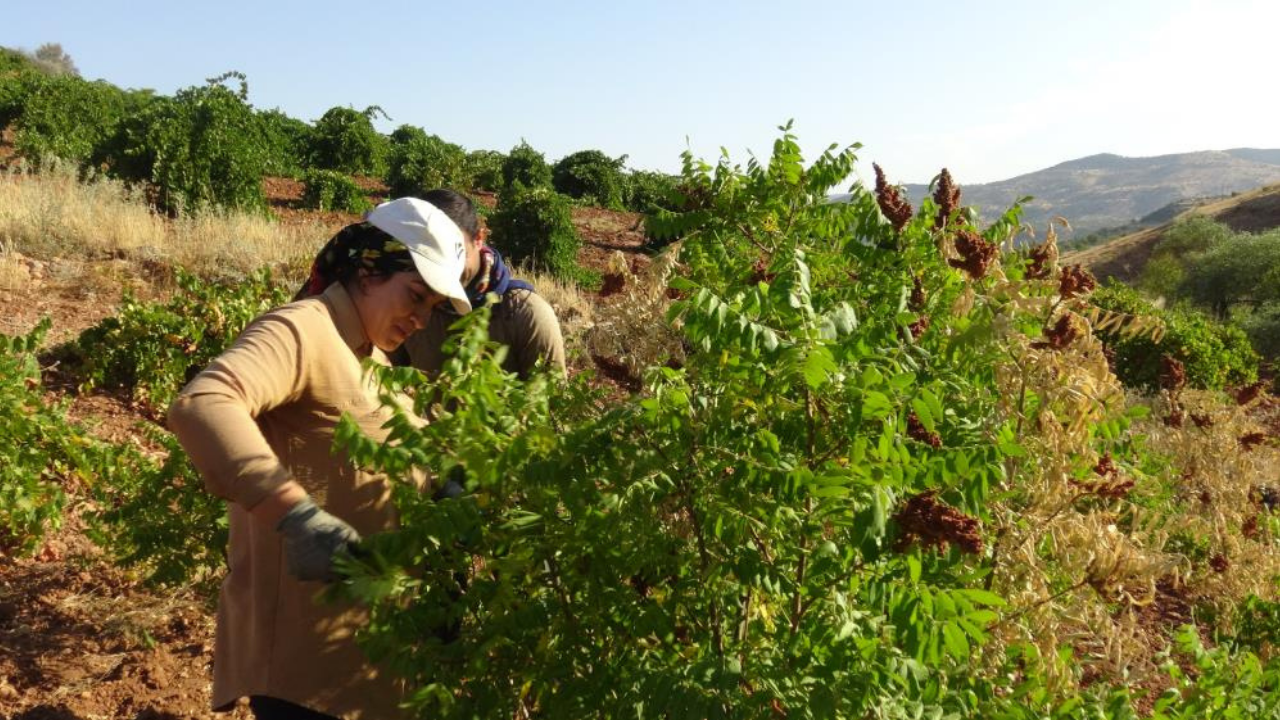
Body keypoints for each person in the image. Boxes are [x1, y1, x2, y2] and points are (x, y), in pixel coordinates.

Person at [168, 197, 472, 720]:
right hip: (302, 672)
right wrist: (295, 515)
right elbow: (203, 403)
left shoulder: (372, 357)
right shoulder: (304, 329)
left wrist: (439, 486)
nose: (422, 320)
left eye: (432, 308)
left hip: (360, 665)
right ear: (369, 271)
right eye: (416, 296)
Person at [397, 188, 566, 379]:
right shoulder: (407, 305)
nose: (444, 273)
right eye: (431, 259)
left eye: (455, 258)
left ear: (478, 239)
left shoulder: (527, 316)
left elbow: (552, 402)